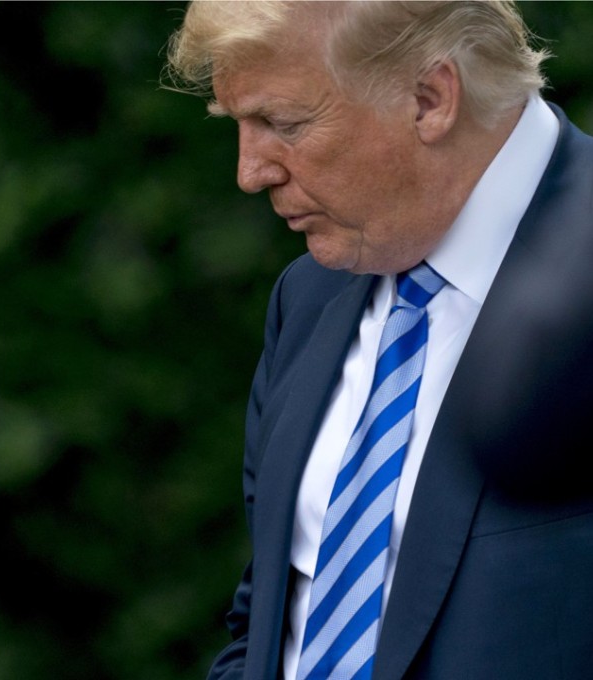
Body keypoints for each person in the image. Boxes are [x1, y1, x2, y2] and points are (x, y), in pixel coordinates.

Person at [165, 2, 593, 679]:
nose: (250, 173)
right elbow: (275, 628)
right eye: (240, 126)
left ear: (430, 98)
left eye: (282, 123)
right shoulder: (309, 297)